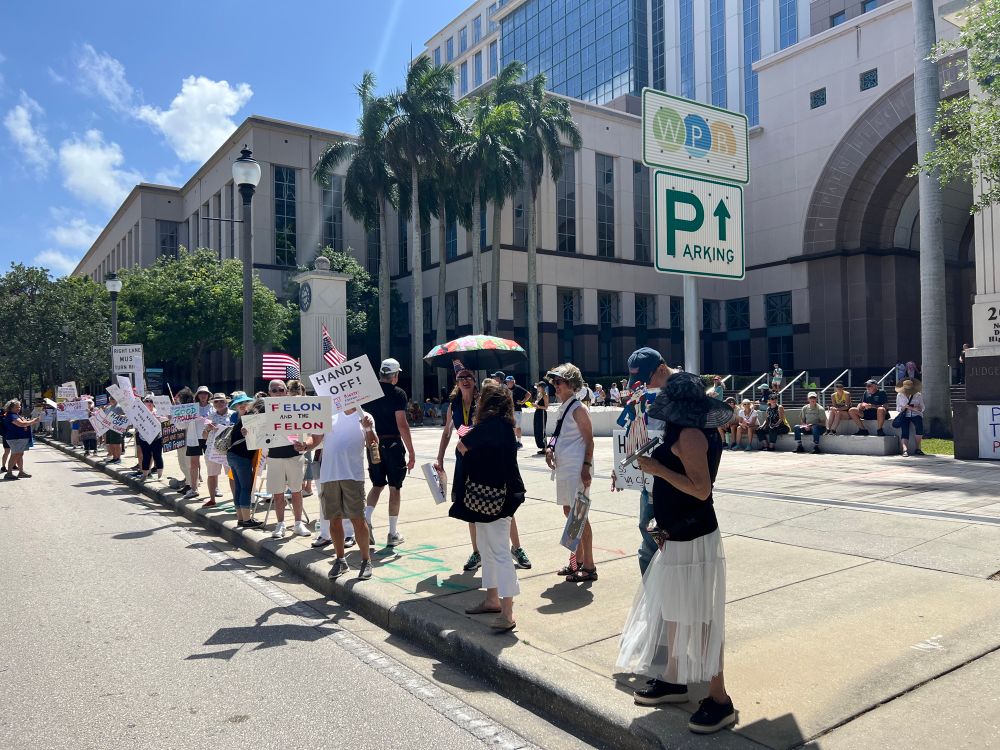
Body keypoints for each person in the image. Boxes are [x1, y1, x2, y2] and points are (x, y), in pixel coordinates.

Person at [618, 369, 737, 735]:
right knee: (673, 607)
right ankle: (673, 678)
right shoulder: (688, 431)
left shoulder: (689, 435)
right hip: (679, 533)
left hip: (693, 535)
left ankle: (719, 698)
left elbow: (701, 490)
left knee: (700, 616)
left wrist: (656, 469)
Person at [435, 365, 532, 573]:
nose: (465, 380)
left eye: (469, 376)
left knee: (500, 501)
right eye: (461, 377)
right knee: (471, 504)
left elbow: (489, 427)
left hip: (484, 457)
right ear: (456, 382)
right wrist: (440, 458)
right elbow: (447, 432)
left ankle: (517, 547)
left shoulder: (483, 400)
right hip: (465, 457)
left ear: (474, 380)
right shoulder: (454, 404)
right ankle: (477, 552)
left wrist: (475, 432)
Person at [450, 380, 525, 632]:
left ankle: (507, 612)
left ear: (487, 403)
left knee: (499, 552)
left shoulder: (488, 427)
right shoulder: (504, 426)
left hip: (490, 499)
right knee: (488, 548)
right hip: (497, 497)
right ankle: (493, 600)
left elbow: (461, 447)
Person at [297, 406, 374, 580]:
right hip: (329, 475)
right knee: (334, 520)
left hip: (353, 476)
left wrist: (368, 428)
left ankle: (366, 561)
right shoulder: (328, 413)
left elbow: (372, 444)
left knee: (358, 520)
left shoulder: (364, 415)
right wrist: (304, 445)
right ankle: (340, 561)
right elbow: (315, 438)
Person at [545, 363, 597, 582]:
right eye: (554, 382)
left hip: (577, 469)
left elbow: (589, 441)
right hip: (567, 468)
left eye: (558, 382)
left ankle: (589, 566)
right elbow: (557, 434)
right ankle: (577, 561)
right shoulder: (564, 407)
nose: (554, 386)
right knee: (570, 512)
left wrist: (586, 468)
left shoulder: (578, 408)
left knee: (579, 515)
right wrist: (550, 447)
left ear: (571, 384)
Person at [365, 358, 415, 547]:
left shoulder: (369, 393)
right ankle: (392, 532)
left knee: (377, 484)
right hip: (392, 443)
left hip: (373, 444)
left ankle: (366, 518)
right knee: (395, 487)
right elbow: (402, 423)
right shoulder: (398, 394)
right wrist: (411, 451)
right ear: (394, 375)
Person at [263, 379, 310, 539]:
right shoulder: (264, 409)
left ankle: (298, 523)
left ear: (286, 391)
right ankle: (280, 524)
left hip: (295, 455)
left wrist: (305, 443)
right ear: (269, 393)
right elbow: (255, 430)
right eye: (274, 390)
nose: (278, 393)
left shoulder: (295, 407)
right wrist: (247, 431)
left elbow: (309, 425)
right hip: (275, 456)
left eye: (281, 390)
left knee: (297, 491)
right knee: (278, 493)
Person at [227, 393, 262, 529]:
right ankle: (247, 520)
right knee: (245, 488)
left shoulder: (241, 419)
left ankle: (241, 518)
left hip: (233, 455)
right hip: (242, 457)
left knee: (239, 488)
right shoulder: (251, 418)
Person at [201, 393, 233, 508]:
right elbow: (203, 436)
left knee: (232, 475)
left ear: (226, 402)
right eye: (216, 401)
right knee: (212, 474)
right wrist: (208, 429)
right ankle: (212, 499)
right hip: (212, 449)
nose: (219, 403)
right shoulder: (209, 417)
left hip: (228, 450)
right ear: (213, 404)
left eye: (221, 401)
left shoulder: (233, 415)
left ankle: (236, 500)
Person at [3, 400, 39, 479]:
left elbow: (24, 422)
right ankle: (9, 473)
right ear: (11, 408)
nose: (19, 408)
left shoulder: (15, 414)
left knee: (19, 454)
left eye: (19, 406)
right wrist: (33, 421)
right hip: (15, 438)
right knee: (15, 454)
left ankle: (21, 472)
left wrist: (29, 421)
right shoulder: (12, 415)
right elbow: (21, 424)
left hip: (18, 438)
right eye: (17, 407)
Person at [135, 395, 165, 482]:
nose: (149, 403)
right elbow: (134, 422)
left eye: (151, 401)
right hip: (144, 438)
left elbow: (166, 419)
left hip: (157, 438)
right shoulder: (139, 413)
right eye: (147, 401)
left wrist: (159, 418)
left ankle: (160, 476)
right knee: (146, 456)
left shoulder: (158, 412)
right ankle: (145, 475)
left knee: (157, 456)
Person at [895, 379, 925, 457]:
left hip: (916, 414)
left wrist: (916, 408)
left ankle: (918, 448)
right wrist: (905, 407)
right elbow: (898, 408)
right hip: (905, 415)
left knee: (919, 428)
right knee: (904, 431)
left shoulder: (918, 395)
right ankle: (905, 450)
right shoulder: (900, 395)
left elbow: (923, 407)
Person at [504, 375, 531, 449]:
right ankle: (513, 441)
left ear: (513, 382)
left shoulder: (518, 387)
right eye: (507, 382)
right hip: (509, 411)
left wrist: (523, 402)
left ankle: (519, 442)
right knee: (511, 427)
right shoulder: (506, 389)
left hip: (517, 411)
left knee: (517, 427)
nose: (507, 383)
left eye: (509, 381)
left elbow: (528, 394)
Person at [102, 396, 125, 464]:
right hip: (108, 428)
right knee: (111, 444)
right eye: (111, 399)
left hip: (116, 428)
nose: (112, 400)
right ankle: (114, 458)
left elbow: (126, 416)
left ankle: (118, 458)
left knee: (117, 444)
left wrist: (122, 416)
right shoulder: (108, 408)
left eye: (113, 398)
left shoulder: (120, 407)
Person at [532, 380, 550, 456]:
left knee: (542, 430)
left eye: (538, 387)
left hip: (542, 413)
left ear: (542, 387)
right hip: (538, 412)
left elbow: (546, 407)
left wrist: (538, 406)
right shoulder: (539, 394)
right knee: (537, 429)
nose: (537, 388)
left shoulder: (545, 395)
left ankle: (545, 447)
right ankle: (542, 447)